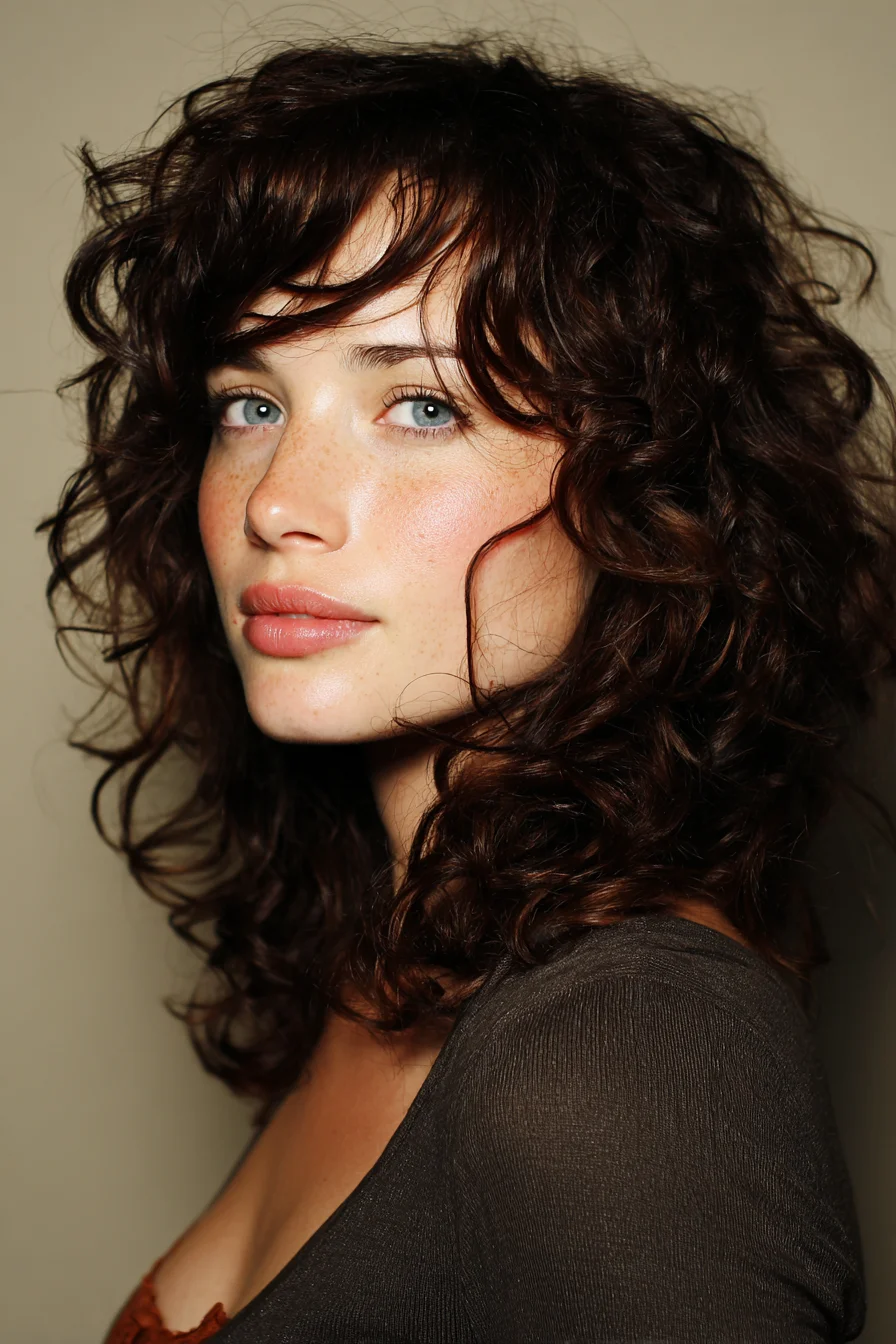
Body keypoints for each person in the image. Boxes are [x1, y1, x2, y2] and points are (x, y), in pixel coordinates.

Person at [40, 33, 894, 1343]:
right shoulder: (398, 961)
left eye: (425, 407)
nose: (276, 505)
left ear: (650, 490)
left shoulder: (623, 1050)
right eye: (251, 404)